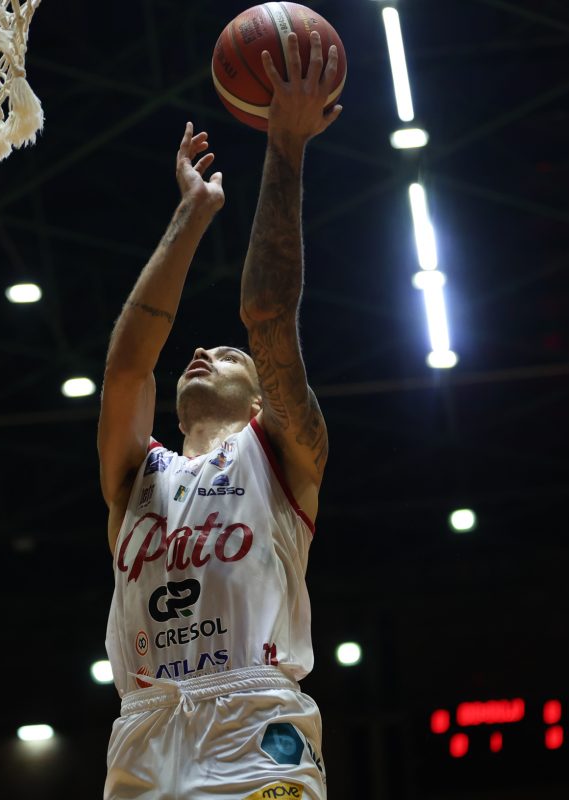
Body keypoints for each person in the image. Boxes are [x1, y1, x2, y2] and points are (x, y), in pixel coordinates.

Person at [98, 31, 342, 800]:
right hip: (144, 731)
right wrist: (193, 213)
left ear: (263, 400)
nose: (203, 350)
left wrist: (285, 146)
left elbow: (267, 311)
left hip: (254, 725)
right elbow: (127, 367)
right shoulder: (136, 476)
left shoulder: (282, 452)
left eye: (231, 356)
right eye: (201, 352)